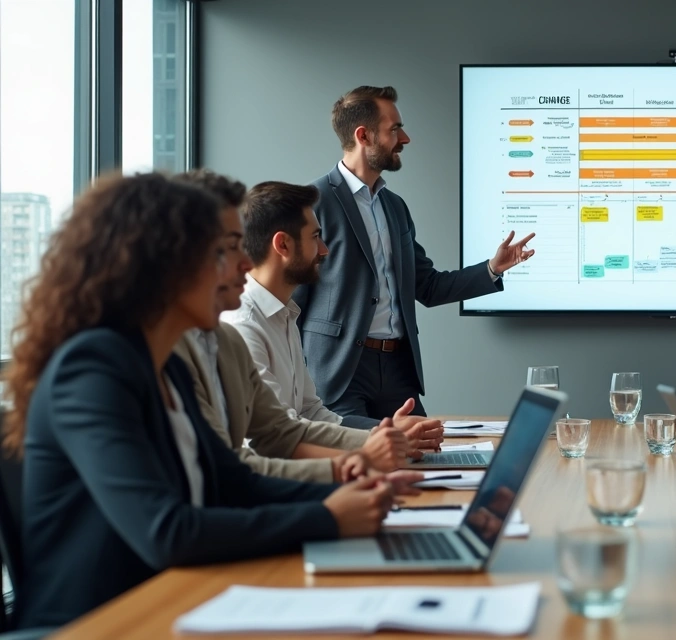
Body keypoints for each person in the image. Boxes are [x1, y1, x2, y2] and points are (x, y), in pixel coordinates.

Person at [1, 174, 423, 629]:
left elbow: (232, 483)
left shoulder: (167, 367)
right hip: (101, 621)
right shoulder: (90, 370)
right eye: (225, 251)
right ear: (164, 262)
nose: (244, 265)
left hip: (173, 598)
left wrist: (348, 490)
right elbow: (166, 532)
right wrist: (326, 517)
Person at [170, 170, 442, 483]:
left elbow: (292, 424)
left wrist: (382, 438)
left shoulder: (267, 322)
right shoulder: (237, 328)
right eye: (233, 247)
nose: (246, 263)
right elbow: (246, 459)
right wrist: (361, 462)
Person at [297, 85, 535, 418]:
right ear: (363, 135)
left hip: (398, 371)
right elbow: (291, 302)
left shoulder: (395, 207)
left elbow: (428, 286)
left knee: (426, 456)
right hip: (339, 373)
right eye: (394, 129)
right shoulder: (313, 203)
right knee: (362, 464)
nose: (405, 138)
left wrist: (492, 269)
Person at [223, 181, 426, 436]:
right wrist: (373, 445)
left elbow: (312, 413)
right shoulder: (244, 325)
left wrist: (386, 431)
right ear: (283, 245)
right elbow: (276, 434)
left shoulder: (286, 315)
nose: (324, 250)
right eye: (315, 237)